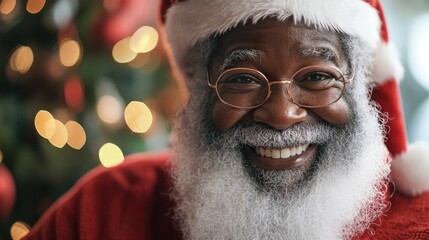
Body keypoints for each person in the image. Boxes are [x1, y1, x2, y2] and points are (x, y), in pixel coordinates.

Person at [24, 0, 429, 239]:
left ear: (361, 86)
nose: (281, 114)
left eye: (318, 76)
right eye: (241, 79)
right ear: (200, 90)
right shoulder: (105, 210)